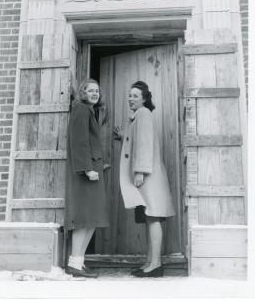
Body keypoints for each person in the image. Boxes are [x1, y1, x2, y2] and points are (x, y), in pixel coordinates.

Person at [115, 81, 175, 278]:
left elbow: (145, 143)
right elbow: (137, 139)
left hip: (147, 174)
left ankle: (155, 264)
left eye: (135, 95)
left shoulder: (143, 114)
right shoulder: (139, 116)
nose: (131, 99)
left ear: (144, 98)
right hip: (148, 174)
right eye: (129, 95)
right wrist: (123, 136)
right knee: (150, 217)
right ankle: (150, 262)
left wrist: (140, 171)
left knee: (153, 216)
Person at [64, 79, 109, 278]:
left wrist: (99, 164)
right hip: (86, 174)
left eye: (97, 91)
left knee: (93, 218)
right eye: (90, 90)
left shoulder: (89, 111)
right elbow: (79, 142)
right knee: (84, 218)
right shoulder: (81, 109)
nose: (94, 93)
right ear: (83, 92)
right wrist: (87, 169)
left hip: (93, 170)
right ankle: (74, 262)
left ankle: (78, 262)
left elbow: (90, 143)